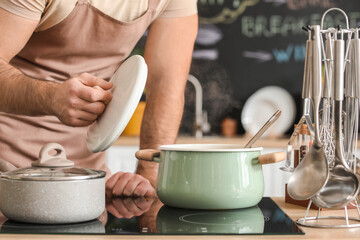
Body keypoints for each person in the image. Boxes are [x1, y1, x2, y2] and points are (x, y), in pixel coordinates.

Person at [0, 0, 198, 197]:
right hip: (6, 167)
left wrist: (148, 177)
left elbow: (166, 85)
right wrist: (50, 97)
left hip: (87, 177)